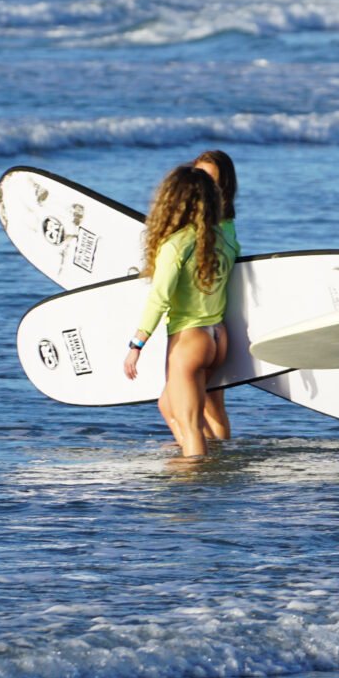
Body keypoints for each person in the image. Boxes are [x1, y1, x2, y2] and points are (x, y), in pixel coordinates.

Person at [123, 165, 240, 458]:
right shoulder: (224, 239)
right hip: (218, 338)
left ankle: (195, 476)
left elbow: (159, 298)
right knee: (168, 405)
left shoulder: (176, 245)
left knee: (190, 426)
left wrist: (137, 344)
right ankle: (204, 461)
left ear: (172, 201)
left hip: (189, 340)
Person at [192, 150, 237, 443]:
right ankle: (220, 455)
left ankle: (199, 457)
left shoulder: (202, 227)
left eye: (211, 179)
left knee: (175, 407)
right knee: (212, 404)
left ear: (223, 186)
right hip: (218, 329)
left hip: (195, 329)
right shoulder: (228, 226)